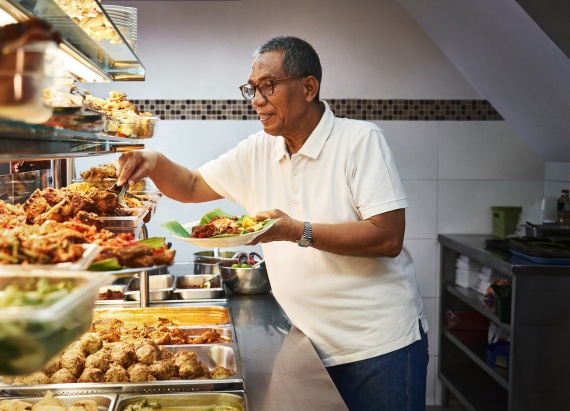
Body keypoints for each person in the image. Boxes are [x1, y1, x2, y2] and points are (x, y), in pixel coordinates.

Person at [115, 35, 429, 410]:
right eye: (252, 89)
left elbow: (387, 236)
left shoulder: (360, 141)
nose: (257, 100)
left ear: (308, 87)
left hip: (378, 346)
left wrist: (296, 230)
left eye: (268, 86)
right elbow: (193, 184)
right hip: (307, 340)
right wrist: (155, 161)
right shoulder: (258, 150)